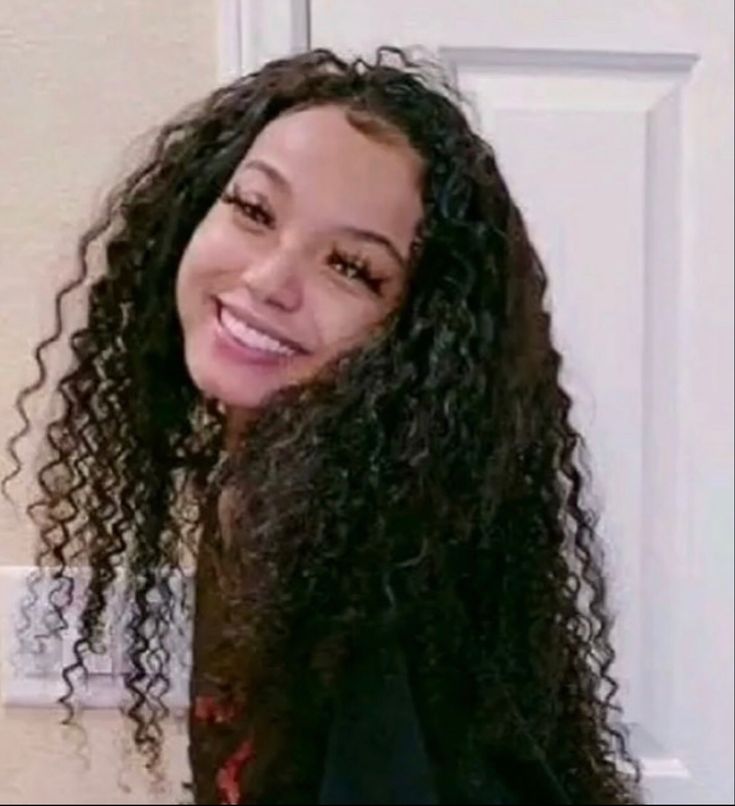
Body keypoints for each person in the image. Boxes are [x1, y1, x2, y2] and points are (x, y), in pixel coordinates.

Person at [3, 47, 642, 804]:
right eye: (253, 210)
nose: (269, 281)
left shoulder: (380, 567)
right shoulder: (266, 494)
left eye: (351, 267)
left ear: (413, 335)